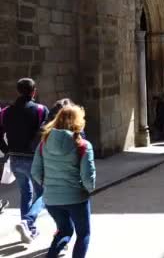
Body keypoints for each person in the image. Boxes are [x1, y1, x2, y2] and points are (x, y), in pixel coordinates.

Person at [32, 105, 95, 258]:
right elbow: (88, 178)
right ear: (79, 121)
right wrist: (87, 189)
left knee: (64, 230)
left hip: (52, 199)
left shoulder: (44, 143)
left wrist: (49, 186)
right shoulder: (83, 145)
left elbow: (35, 171)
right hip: (76, 198)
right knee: (83, 234)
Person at [0, 78, 49, 243]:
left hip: (14, 159)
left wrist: (7, 150)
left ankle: (29, 229)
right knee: (44, 193)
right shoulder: (41, 110)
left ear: (18, 91)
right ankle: (28, 222)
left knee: (26, 193)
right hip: (33, 159)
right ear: (34, 91)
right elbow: (47, 135)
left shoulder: (6, 112)